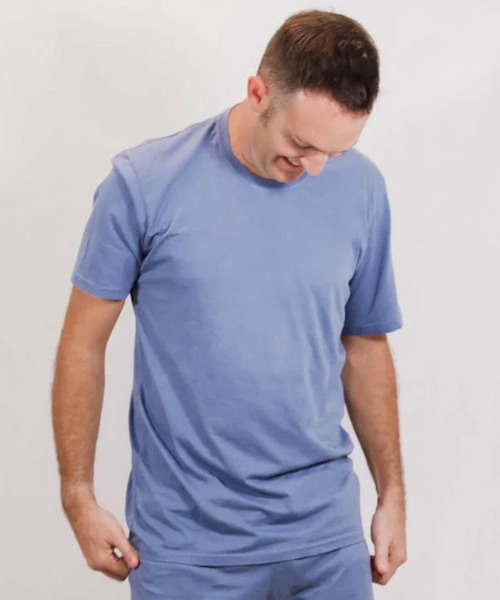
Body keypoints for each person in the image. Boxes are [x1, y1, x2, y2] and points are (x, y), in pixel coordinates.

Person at [52, 8, 407, 599]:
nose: (316, 168)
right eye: (301, 144)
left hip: (325, 541)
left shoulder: (361, 185)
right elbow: (82, 342)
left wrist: (392, 493)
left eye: (335, 151)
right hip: (188, 549)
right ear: (258, 92)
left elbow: (365, 343)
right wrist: (78, 496)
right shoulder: (144, 184)